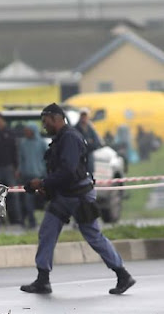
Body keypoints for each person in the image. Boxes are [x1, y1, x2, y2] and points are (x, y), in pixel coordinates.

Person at [20, 103, 135, 295]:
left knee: (93, 236)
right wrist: (46, 188)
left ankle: (122, 275)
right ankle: (43, 280)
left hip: (79, 197)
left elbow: (68, 171)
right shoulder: (60, 139)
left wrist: (42, 183)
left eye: (46, 120)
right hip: (64, 197)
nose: (44, 125)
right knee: (47, 232)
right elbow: (60, 171)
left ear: (57, 118)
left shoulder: (70, 138)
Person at [17, 123, 47, 229]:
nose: (26, 132)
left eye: (27, 130)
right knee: (27, 200)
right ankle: (30, 220)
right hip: (27, 176)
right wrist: (20, 170)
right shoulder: (23, 143)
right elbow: (21, 158)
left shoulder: (42, 143)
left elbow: (47, 158)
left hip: (40, 176)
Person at [74, 109, 101, 175]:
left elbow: (97, 143)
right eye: (82, 116)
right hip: (79, 158)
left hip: (89, 157)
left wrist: (88, 144)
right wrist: (88, 142)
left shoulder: (91, 129)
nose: (84, 118)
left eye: (85, 116)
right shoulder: (75, 129)